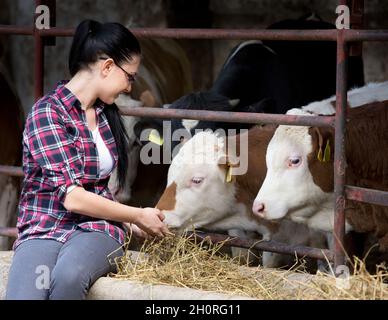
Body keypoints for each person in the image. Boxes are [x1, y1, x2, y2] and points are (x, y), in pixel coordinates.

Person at [6, 19, 170, 300]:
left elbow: (98, 189)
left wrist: (124, 221)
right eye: (130, 76)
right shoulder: (46, 114)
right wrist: (137, 215)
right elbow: (73, 198)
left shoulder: (108, 117)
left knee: (69, 276)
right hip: (45, 226)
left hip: (97, 229)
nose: (130, 87)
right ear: (107, 67)